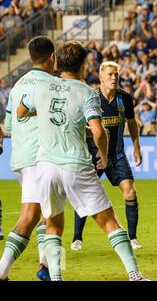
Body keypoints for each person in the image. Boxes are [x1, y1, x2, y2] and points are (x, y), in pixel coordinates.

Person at [16, 41, 148, 281]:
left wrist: (47, 113)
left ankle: (56, 277)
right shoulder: (87, 92)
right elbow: (99, 132)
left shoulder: (42, 85)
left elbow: (21, 112)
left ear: (56, 61)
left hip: (45, 166)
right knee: (109, 221)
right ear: (84, 65)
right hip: (75, 164)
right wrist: (105, 156)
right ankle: (135, 275)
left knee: (53, 223)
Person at [71, 61, 143, 251]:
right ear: (101, 77)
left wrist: (137, 147)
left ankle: (133, 238)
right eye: (110, 75)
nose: (113, 78)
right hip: (93, 156)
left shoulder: (124, 98)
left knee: (130, 192)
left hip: (117, 155)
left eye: (116, 75)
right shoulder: (91, 97)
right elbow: (78, 124)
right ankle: (77, 238)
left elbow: (132, 122)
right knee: (85, 195)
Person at [0, 36, 55, 281]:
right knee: (30, 216)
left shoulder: (18, 84)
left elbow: (9, 124)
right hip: (39, 158)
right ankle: (2, 270)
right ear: (52, 57)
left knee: (47, 213)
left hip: (21, 158)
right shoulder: (52, 85)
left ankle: (45, 266)